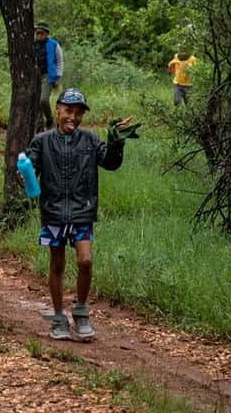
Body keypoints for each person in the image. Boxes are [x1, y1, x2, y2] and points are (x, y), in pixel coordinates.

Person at [25, 88, 139, 341]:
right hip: (53, 211)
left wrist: (116, 142)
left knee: (85, 261)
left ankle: (81, 311)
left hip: (82, 211)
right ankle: (58, 317)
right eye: (68, 111)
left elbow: (110, 163)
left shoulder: (90, 140)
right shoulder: (42, 141)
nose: (73, 117)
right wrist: (25, 170)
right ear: (57, 109)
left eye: (78, 113)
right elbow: (30, 169)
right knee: (57, 264)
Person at [34, 23, 63, 129]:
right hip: (35, 76)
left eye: (41, 33)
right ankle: (39, 126)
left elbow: (59, 61)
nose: (39, 35)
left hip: (48, 75)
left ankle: (50, 120)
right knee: (35, 102)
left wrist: (58, 77)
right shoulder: (32, 44)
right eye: (37, 33)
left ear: (46, 33)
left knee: (43, 100)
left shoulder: (54, 44)